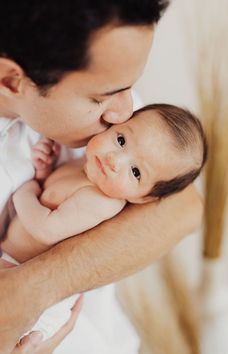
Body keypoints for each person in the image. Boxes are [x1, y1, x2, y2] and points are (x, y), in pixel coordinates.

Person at [0, 2, 203, 353]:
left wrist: (28, 291)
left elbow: (183, 207)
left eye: (130, 86)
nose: (126, 112)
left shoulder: (120, 129)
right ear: (11, 80)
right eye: (102, 97)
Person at [1, 103, 207, 342]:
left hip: (42, 306)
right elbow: (54, 196)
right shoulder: (87, 167)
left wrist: (26, 191)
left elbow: (46, 229)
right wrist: (43, 171)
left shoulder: (100, 200)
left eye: (136, 172)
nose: (115, 160)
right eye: (121, 141)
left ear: (142, 198)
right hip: (15, 269)